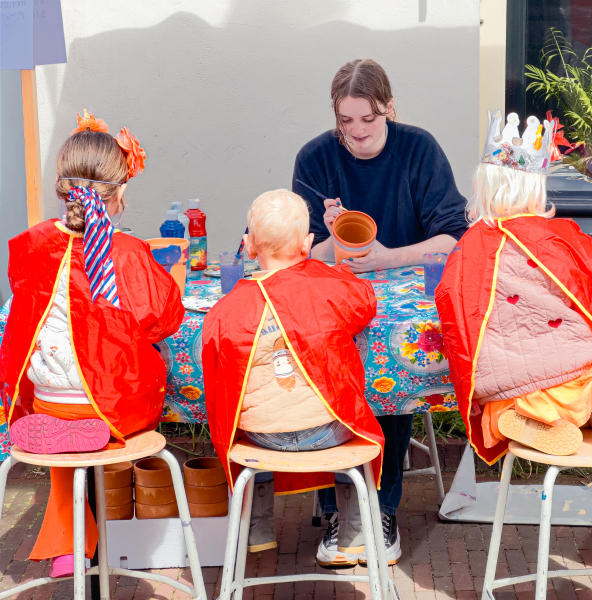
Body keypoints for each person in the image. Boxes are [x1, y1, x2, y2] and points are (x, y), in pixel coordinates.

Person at [291, 58, 468, 564]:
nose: (356, 133)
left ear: (389, 107)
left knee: (389, 367)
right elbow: (295, 247)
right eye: (345, 122)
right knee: (324, 364)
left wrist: (390, 256)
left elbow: (455, 235)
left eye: (367, 119)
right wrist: (327, 242)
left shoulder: (418, 149)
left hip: (406, 296)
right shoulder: (317, 157)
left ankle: (381, 508)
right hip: (334, 295)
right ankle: (336, 510)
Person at [0, 111, 182, 577]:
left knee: (64, 417)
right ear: (119, 194)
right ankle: (82, 528)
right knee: (140, 361)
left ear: (63, 190)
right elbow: (164, 319)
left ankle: (70, 539)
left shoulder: (31, 244)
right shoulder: (126, 252)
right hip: (112, 407)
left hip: (48, 402)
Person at [435, 110, 592, 466]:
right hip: (578, 368)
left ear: (482, 189)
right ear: (537, 187)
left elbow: (451, 304)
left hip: (514, 386)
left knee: (499, 413)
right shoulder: (560, 235)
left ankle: (524, 423)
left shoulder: (469, 246)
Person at [202, 190, 384, 563]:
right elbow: (365, 300)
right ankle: (353, 534)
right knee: (353, 439)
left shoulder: (223, 310)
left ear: (248, 246)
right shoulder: (329, 285)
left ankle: (258, 527)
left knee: (251, 415)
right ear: (307, 244)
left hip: (258, 439)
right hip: (326, 432)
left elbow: (219, 381)